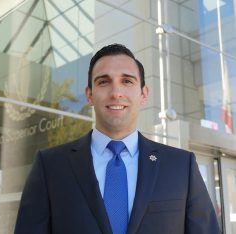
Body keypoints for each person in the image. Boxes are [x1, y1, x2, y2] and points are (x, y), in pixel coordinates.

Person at [15, 44, 220, 234]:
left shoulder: (181, 167)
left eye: (127, 81)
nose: (116, 93)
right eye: (104, 82)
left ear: (143, 94)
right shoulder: (50, 166)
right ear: (89, 95)